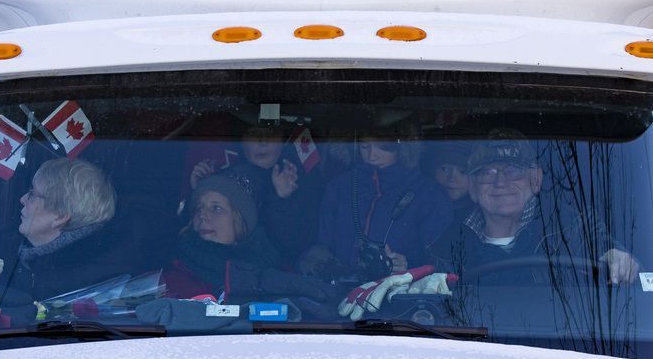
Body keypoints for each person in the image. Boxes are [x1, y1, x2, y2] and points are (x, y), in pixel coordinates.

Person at [431, 129, 639, 284]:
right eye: (488, 173)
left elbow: (613, 257)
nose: (501, 182)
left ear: (535, 180)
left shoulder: (570, 227)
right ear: (473, 188)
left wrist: (619, 259)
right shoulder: (445, 247)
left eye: (513, 170)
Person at [0, 158, 120, 309]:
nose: (22, 199)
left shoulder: (89, 284)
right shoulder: (8, 246)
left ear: (60, 216)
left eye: (32, 195)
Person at [312, 135, 452, 280]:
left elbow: (442, 268)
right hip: (337, 294)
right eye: (364, 146)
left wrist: (408, 268)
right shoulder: (338, 188)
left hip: (401, 296)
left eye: (383, 147)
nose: (372, 156)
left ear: (402, 147)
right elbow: (322, 247)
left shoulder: (430, 195)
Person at [187, 125, 321, 263]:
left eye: (271, 133)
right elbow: (192, 234)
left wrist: (283, 200)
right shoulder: (225, 174)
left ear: (283, 140)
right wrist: (200, 191)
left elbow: (293, 247)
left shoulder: (300, 179)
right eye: (253, 133)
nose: (263, 141)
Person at [167, 168, 284, 300]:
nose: (202, 215)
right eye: (199, 208)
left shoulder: (273, 276)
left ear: (239, 220)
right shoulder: (173, 282)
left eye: (216, 208)